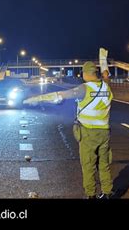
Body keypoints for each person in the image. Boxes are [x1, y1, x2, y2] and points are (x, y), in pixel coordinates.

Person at [23, 61, 114, 199]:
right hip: (105, 132)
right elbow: (106, 77)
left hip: (89, 133)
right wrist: (104, 63)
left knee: (88, 165)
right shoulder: (106, 87)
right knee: (104, 164)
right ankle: (107, 193)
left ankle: (91, 195)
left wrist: (37, 98)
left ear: (85, 73)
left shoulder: (84, 88)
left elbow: (61, 95)